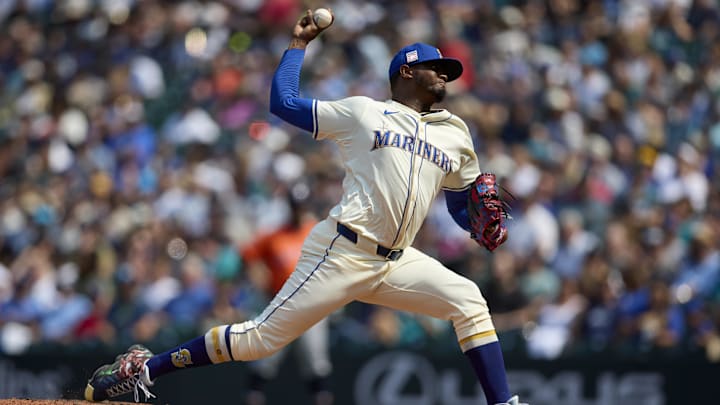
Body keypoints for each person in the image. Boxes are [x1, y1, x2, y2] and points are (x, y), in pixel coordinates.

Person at [84, 9, 527, 405]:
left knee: (469, 300)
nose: (445, 76)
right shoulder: (364, 112)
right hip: (343, 250)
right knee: (259, 341)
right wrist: (298, 44)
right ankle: (143, 369)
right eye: (437, 68)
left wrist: (476, 223)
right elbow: (284, 103)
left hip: (396, 261)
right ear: (407, 72)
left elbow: (457, 205)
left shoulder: (455, 133)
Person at [240, 190, 333, 405]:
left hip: (311, 305)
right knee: (264, 360)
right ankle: (252, 397)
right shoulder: (275, 235)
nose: (298, 211)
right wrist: (257, 273)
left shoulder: (318, 232)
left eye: (301, 206)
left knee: (316, 361)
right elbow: (248, 254)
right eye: (295, 206)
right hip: (279, 304)